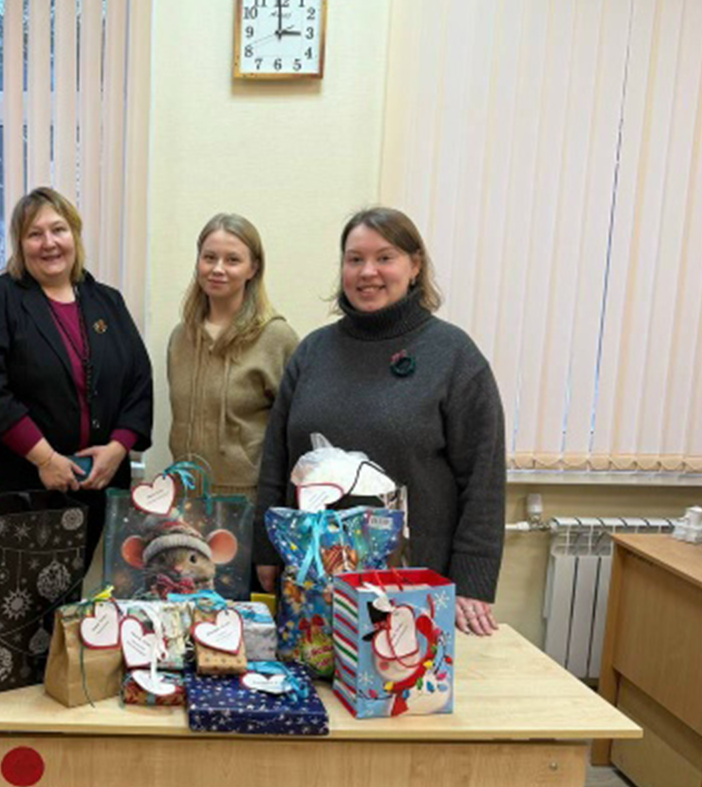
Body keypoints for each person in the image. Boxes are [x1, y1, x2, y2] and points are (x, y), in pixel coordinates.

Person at [253, 207, 506, 636]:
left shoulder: (454, 356)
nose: (368, 272)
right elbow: (277, 461)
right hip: (312, 592)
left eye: (384, 258)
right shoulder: (312, 352)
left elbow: (483, 479)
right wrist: (266, 549)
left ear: (415, 265)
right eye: (355, 259)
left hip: (413, 595)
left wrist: (472, 583)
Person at [0, 186, 153, 558]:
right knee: (12, 589)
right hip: (16, 486)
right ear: (20, 245)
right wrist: (45, 459)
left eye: (58, 229)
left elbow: (139, 382)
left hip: (92, 486)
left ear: (74, 235)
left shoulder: (107, 301)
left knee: (70, 591)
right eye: (35, 234)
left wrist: (117, 449)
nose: (49, 243)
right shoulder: (0, 296)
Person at [167, 213, 298, 499]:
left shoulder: (276, 338)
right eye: (209, 257)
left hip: (248, 499)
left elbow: (293, 430)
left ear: (253, 268)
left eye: (233, 260)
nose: (218, 269)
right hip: (185, 497)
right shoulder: (181, 338)